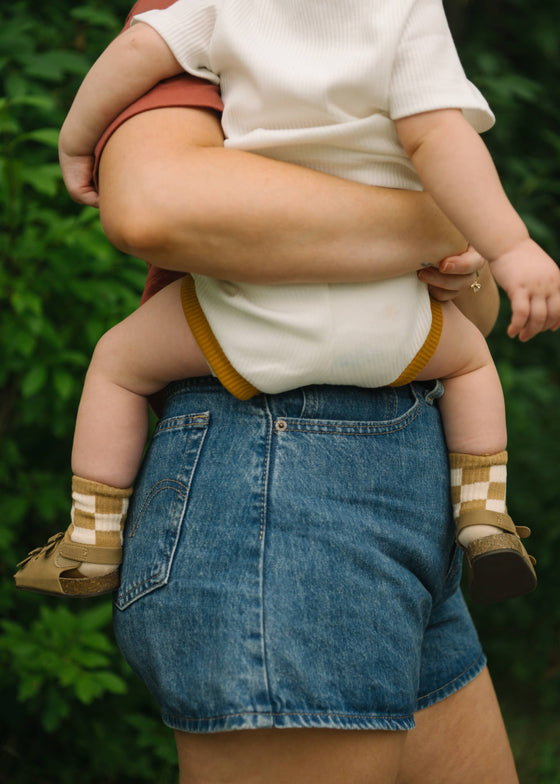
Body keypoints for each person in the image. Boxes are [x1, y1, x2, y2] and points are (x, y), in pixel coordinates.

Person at [16, 1, 524, 780]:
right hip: (288, 483)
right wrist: (482, 233)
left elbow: (132, 61)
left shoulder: (218, 8)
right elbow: (157, 203)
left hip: (340, 442)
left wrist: (77, 137)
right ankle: (487, 509)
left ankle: (93, 526)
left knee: (118, 359)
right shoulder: (404, 15)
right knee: (468, 366)